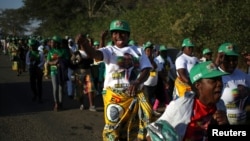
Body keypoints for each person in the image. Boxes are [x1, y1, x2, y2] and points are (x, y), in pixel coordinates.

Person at [75, 19, 153, 141]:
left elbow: (146, 70)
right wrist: (84, 43)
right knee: (113, 128)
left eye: (122, 33)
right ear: (112, 36)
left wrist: (137, 82)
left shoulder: (138, 50)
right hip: (114, 97)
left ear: (128, 35)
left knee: (133, 129)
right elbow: (95, 54)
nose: (119, 36)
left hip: (134, 96)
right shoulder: (109, 50)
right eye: (115, 33)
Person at [146, 61, 229, 141]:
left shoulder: (220, 105)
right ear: (198, 86)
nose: (220, 84)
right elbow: (152, 134)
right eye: (213, 80)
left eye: (220, 80)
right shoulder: (179, 106)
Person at [215, 42, 250, 125]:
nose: (232, 63)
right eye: (227, 59)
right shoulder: (215, 76)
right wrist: (216, 64)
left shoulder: (243, 76)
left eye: (234, 59)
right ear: (220, 58)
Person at [70, 37, 97, 112]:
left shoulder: (89, 53)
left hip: (88, 72)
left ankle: (92, 105)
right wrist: (77, 62)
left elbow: (93, 61)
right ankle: (82, 104)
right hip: (79, 73)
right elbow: (72, 63)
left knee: (90, 89)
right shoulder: (76, 53)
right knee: (80, 90)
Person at [47, 35, 69, 111]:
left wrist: (61, 62)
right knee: (55, 87)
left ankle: (61, 104)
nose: (51, 43)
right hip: (53, 71)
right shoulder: (50, 51)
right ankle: (56, 103)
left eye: (53, 42)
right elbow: (48, 62)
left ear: (57, 43)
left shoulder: (64, 51)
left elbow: (67, 60)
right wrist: (54, 62)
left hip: (62, 72)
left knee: (61, 88)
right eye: (51, 42)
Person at [25, 38, 45, 103]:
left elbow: (42, 61)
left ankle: (40, 97)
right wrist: (31, 64)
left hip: (39, 70)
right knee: (32, 84)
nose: (31, 47)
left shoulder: (40, 53)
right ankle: (35, 94)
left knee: (39, 84)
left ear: (36, 45)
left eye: (33, 45)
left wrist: (37, 66)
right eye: (30, 45)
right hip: (32, 69)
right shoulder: (29, 53)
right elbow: (27, 61)